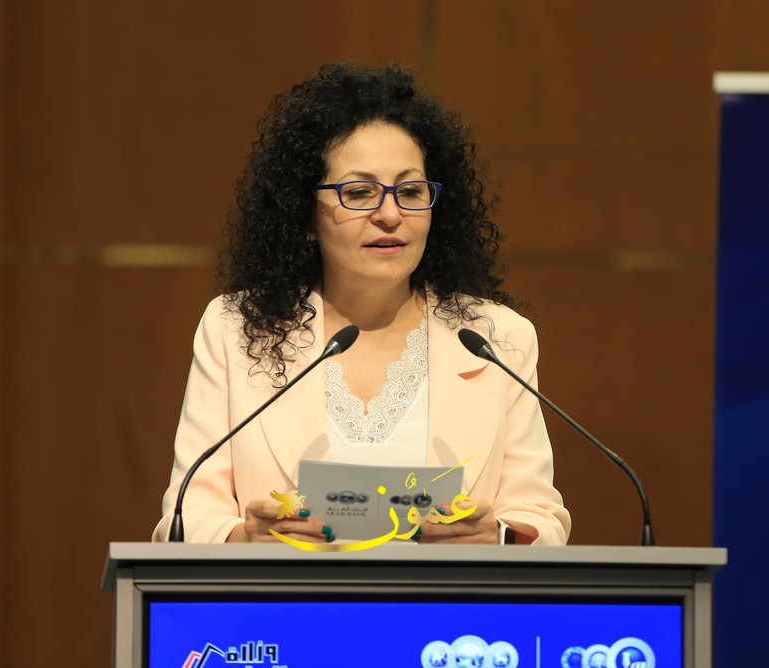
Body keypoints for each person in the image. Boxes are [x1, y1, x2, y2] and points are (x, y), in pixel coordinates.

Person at [152, 62, 570, 545]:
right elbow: (185, 519)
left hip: (446, 596)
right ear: (305, 214)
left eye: (410, 191)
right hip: (285, 595)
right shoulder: (238, 329)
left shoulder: (496, 338)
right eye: (359, 192)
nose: (390, 214)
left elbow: (541, 519)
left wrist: (496, 537)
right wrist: (247, 541)